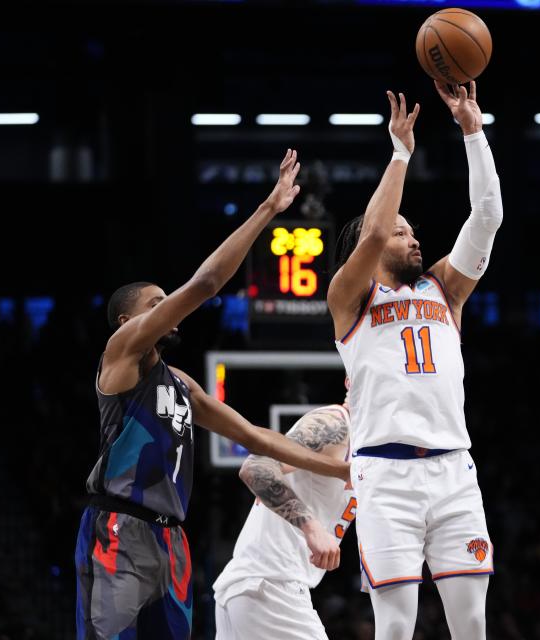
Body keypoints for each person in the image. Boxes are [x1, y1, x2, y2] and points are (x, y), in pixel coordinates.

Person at [74, 149, 351, 639]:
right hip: (120, 524)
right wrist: (268, 209)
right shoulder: (121, 356)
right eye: (157, 304)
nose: (169, 310)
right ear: (128, 321)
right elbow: (204, 283)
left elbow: (257, 439)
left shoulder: (182, 385)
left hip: (172, 535)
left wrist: (344, 468)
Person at [328, 82, 503, 640]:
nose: (412, 238)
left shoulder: (444, 290)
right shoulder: (349, 299)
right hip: (384, 475)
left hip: (453, 470)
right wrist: (400, 151)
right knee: (396, 626)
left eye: (412, 232)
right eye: (402, 234)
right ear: (369, 252)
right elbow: (376, 228)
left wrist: (472, 132)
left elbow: (488, 214)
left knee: (472, 622)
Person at [213, 401, 355, 639]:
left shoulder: (373, 445)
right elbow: (255, 467)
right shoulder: (336, 423)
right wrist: (312, 528)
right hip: (271, 587)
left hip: (255, 587)